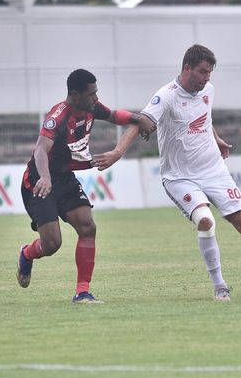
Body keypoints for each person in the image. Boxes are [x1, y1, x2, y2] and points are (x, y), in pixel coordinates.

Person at [93, 44, 241, 301]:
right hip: (180, 177)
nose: (207, 78)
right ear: (187, 68)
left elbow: (204, 118)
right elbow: (139, 122)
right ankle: (220, 286)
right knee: (205, 220)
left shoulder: (207, 90)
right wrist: (118, 152)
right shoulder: (165, 96)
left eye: (209, 72)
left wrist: (217, 138)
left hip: (213, 170)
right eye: (202, 72)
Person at [16, 68, 149, 303]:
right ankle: (27, 254)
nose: (96, 98)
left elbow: (115, 115)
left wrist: (137, 119)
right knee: (52, 243)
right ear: (75, 95)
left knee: (88, 227)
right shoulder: (58, 116)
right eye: (91, 94)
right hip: (40, 180)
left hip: (65, 179)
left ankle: (82, 292)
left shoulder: (92, 107)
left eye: (96, 93)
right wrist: (45, 178)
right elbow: (40, 150)